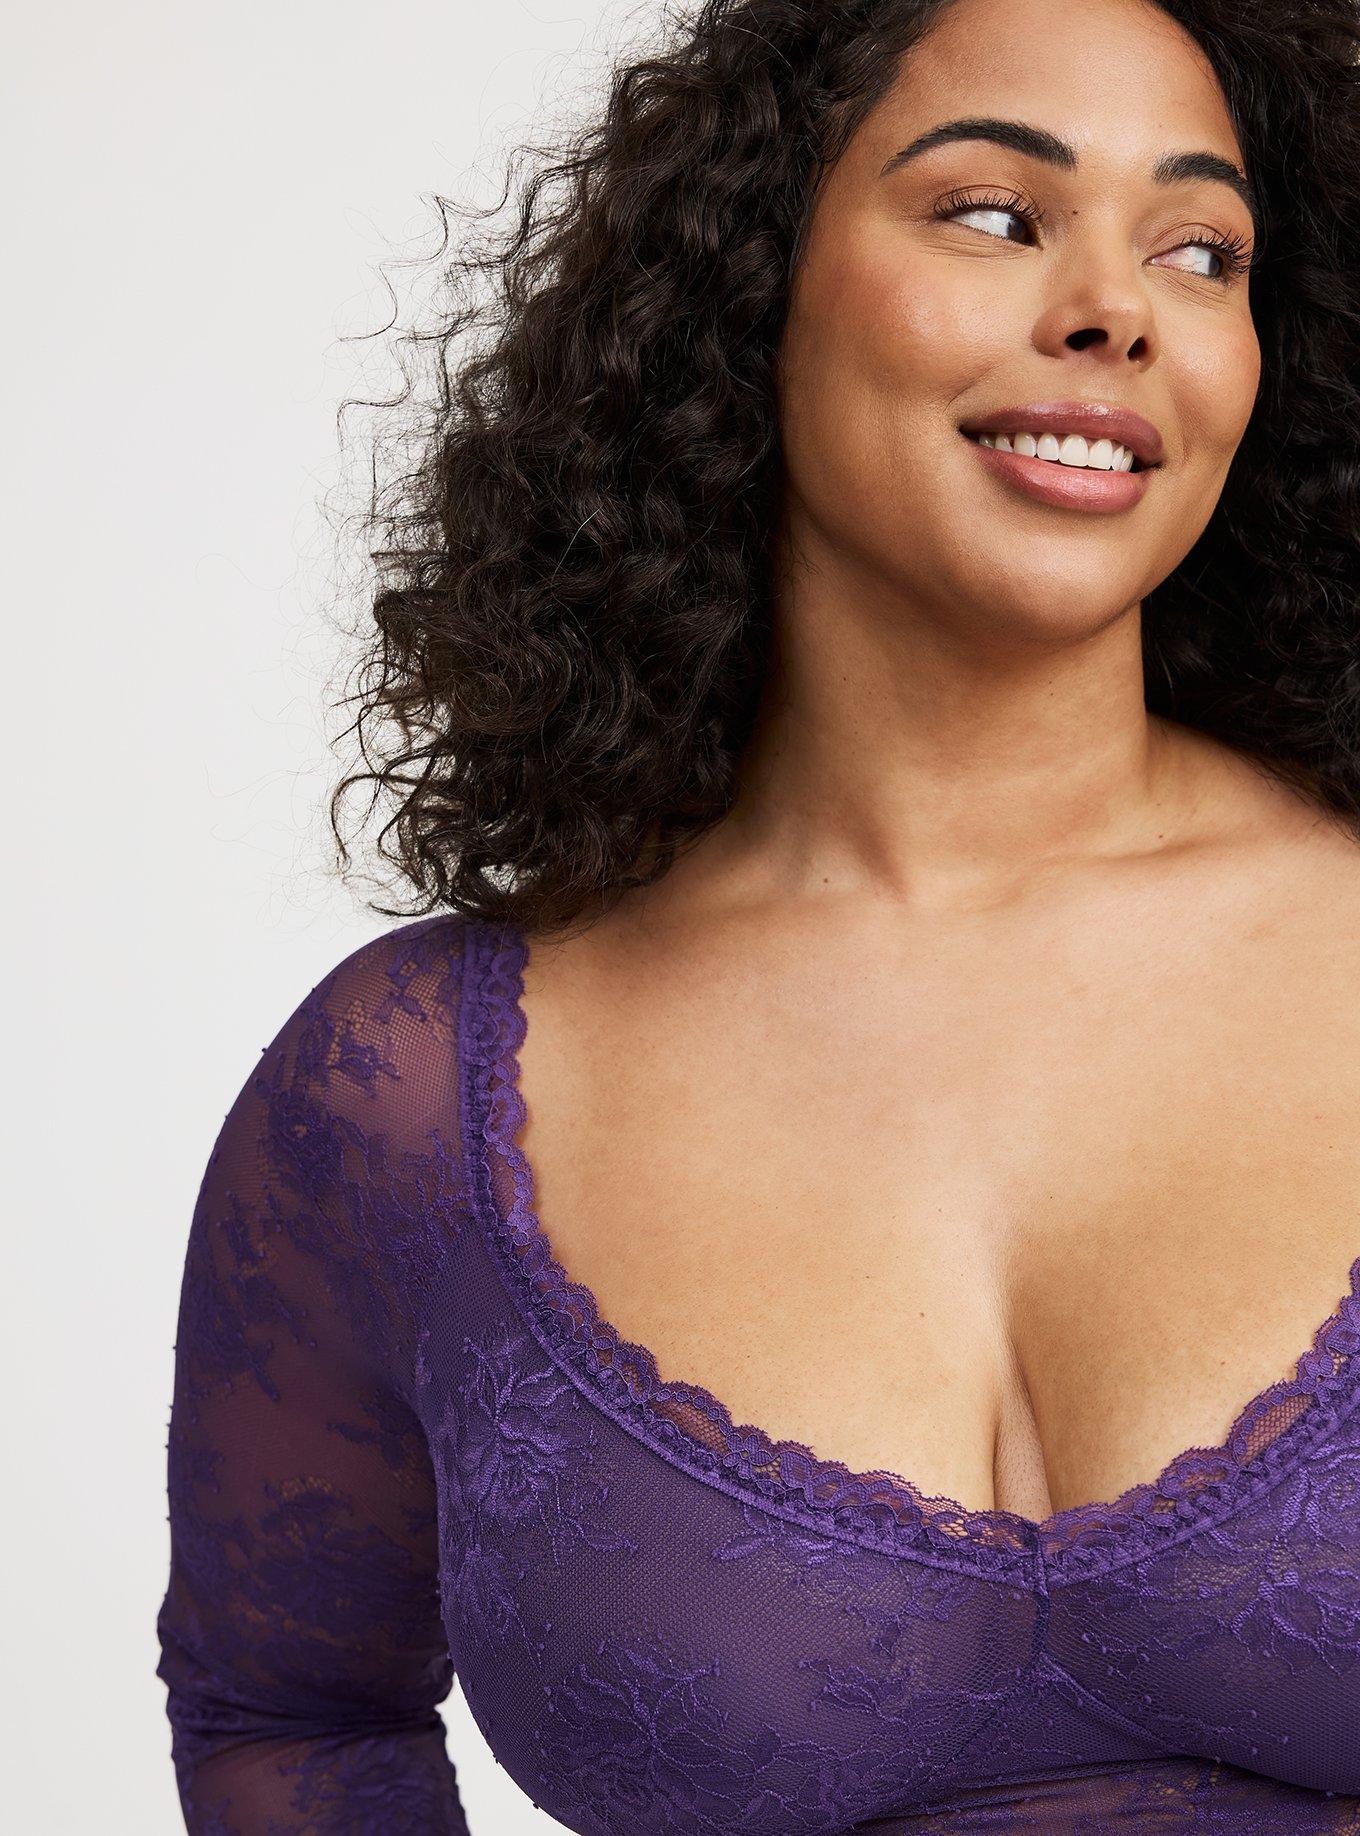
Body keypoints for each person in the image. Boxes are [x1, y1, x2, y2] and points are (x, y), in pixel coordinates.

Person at [155, 0, 1360, 1827]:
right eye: (994, 213)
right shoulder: (409, 1093)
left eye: (1203, 249)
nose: (1119, 309)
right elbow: (293, 1721)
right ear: (747, 286)